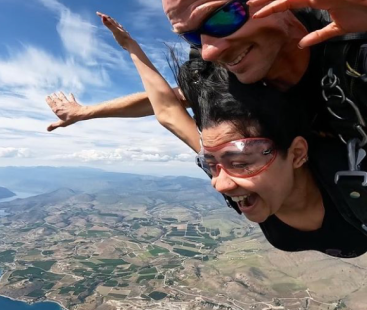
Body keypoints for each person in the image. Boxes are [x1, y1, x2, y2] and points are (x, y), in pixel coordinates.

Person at [91, 12, 367, 258]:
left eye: (242, 162)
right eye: (210, 163)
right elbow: (166, 111)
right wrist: (130, 46)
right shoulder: (231, 174)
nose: (219, 184)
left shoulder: (353, 175)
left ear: (296, 154)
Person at [46, 0, 367, 141]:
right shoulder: (226, 82)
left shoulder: (351, 29)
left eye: (222, 18)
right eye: (191, 36)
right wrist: (84, 112)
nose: (211, 50)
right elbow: (167, 102)